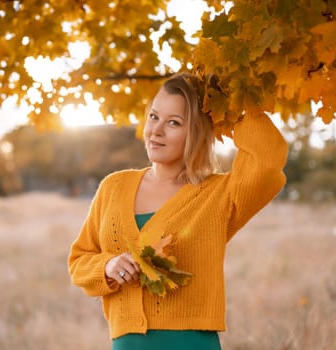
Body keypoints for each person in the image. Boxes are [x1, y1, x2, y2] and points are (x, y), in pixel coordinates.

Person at [68, 72, 288, 349]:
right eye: (153, 116)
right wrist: (108, 265)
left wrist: (230, 104)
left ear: (197, 131)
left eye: (174, 122)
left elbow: (266, 163)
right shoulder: (114, 186)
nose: (156, 130)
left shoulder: (219, 195)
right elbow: (79, 260)